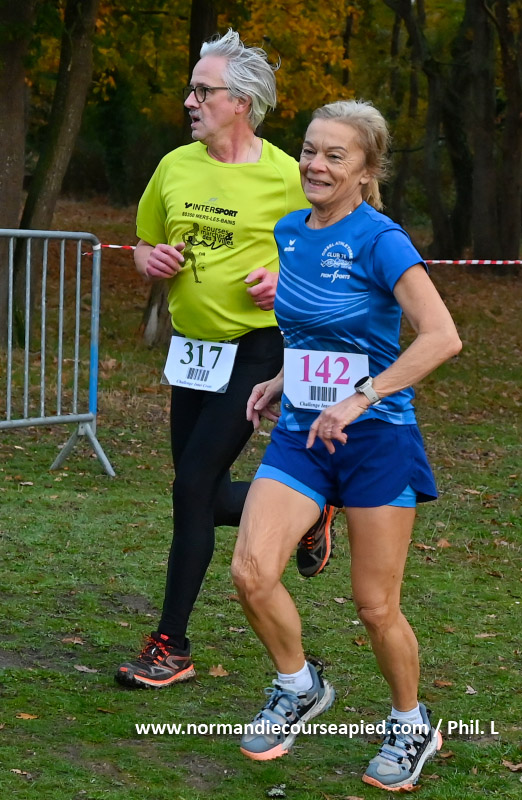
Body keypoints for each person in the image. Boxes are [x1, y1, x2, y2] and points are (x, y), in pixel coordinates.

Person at [231, 100, 462, 791]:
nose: (316, 165)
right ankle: (299, 685)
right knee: (250, 572)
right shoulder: (289, 231)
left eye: (336, 155)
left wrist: (361, 396)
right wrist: (282, 378)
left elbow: (442, 337)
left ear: (367, 170)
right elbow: (312, 332)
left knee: (374, 606)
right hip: (302, 434)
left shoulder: (381, 239)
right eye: (310, 150)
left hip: (376, 441)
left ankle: (410, 722)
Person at [115, 30, 333, 690]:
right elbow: (143, 241)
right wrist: (149, 260)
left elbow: (328, 258)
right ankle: (310, 510)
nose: (189, 101)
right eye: (191, 90)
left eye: (201, 90)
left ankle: (171, 645)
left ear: (240, 102)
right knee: (199, 494)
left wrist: (283, 281)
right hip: (192, 353)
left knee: (190, 488)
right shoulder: (175, 166)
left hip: (257, 352)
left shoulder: (286, 176)